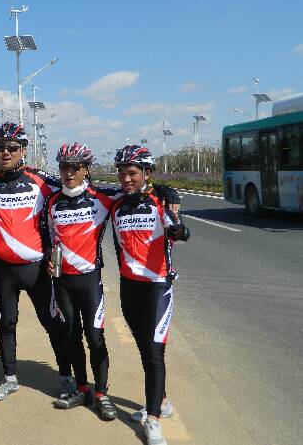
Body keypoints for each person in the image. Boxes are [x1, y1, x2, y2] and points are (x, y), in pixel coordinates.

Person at [0, 122, 86, 402]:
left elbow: (81, 188)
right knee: (6, 323)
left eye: (12, 147)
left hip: (36, 268)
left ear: (23, 149)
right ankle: (9, 378)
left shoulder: (41, 181)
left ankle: (66, 376)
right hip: (4, 269)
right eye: (0, 147)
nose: (5, 152)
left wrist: (161, 191)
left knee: (51, 322)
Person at [110, 145, 190, 445]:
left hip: (158, 286)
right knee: (145, 348)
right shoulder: (117, 205)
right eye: (122, 173)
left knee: (155, 352)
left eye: (132, 173)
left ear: (146, 173)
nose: (126, 179)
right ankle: (162, 402)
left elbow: (176, 227)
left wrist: (178, 231)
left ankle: (154, 420)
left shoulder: (161, 201)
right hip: (129, 287)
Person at [42, 143, 120, 419]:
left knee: (95, 337)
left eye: (75, 167)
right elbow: (48, 236)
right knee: (71, 336)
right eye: (64, 167)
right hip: (62, 282)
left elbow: (136, 190)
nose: (69, 173)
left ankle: (102, 394)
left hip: (89, 281)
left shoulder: (102, 197)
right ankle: (82, 388)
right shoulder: (52, 201)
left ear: (87, 169)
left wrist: (168, 193)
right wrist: (48, 259)